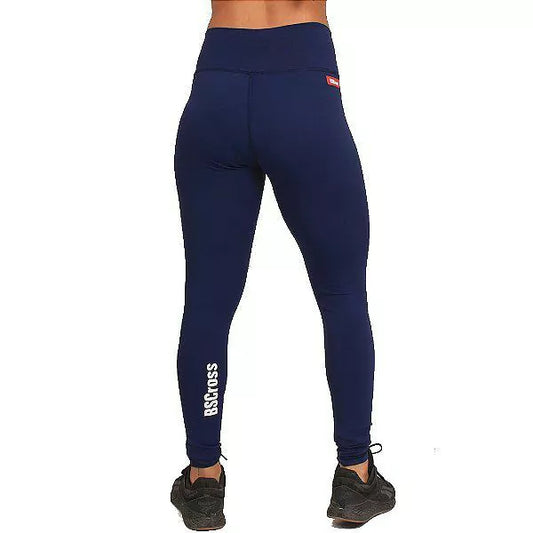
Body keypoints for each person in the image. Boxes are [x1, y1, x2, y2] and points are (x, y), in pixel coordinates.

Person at [170, 1, 395, 529]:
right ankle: (355, 474)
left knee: (207, 303)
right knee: (342, 295)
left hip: (217, 87)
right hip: (303, 86)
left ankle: (203, 481)